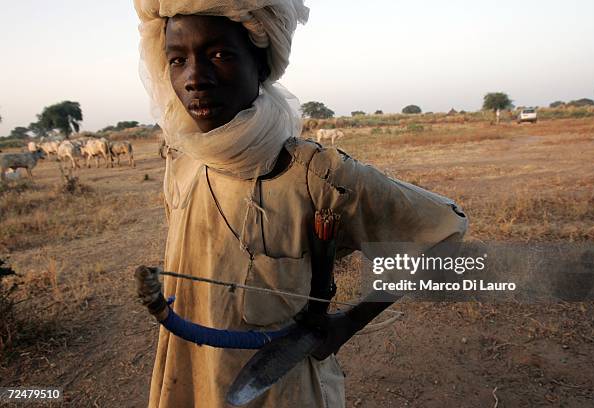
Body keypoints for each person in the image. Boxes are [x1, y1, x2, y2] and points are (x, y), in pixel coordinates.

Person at [133, 1, 468, 407]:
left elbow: (442, 232)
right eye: (177, 60)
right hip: (187, 380)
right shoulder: (182, 161)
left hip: (280, 391)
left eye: (219, 55)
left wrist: (347, 324)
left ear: (261, 64)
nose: (194, 79)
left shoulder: (317, 174)